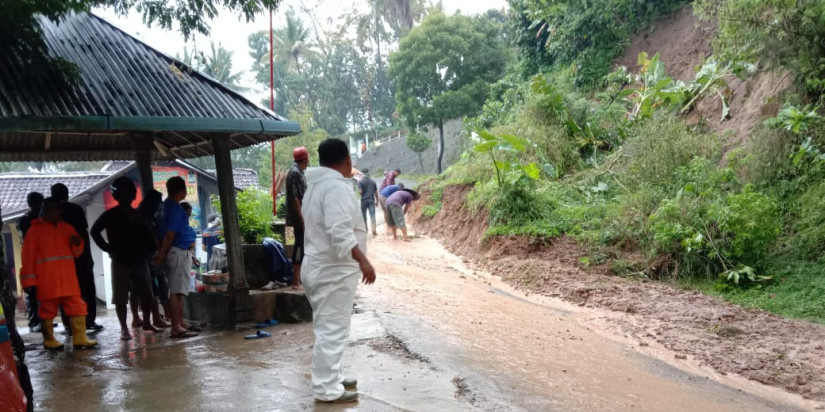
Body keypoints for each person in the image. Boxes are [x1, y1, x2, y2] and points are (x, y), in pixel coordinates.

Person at [302, 138, 376, 404]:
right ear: (347, 160)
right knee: (332, 329)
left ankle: (331, 377)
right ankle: (326, 389)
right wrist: (363, 260)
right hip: (332, 269)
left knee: (330, 327)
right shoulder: (334, 187)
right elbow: (339, 230)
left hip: (320, 266)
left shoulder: (316, 187)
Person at [20, 198, 97, 349]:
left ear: (59, 211)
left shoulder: (67, 229)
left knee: (77, 307)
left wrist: (77, 243)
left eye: (51, 209)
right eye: (45, 209)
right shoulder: (34, 231)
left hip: (68, 278)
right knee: (47, 310)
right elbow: (27, 258)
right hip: (47, 279)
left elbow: (77, 253)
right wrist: (29, 283)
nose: (47, 212)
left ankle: (80, 338)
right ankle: (49, 340)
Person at [91, 177, 161, 341]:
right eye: (122, 193)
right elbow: (94, 232)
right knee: (121, 297)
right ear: (117, 196)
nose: (126, 196)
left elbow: (151, 237)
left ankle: (147, 323)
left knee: (147, 295)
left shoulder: (138, 214)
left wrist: (143, 226)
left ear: (133, 195)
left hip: (139, 260)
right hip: (120, 260)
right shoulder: (110, 215)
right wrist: (108, 249)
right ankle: (124, 329)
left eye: (129, 193)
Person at [51, 183, 101, 331]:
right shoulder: (75, 209)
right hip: (80, 258)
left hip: (60, 260)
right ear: (67, 194)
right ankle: (89, 321)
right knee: (87, 290)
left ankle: (68, 324)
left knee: (66, 293)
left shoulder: (48, 212)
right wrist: (88, 257)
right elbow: (83, 235)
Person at [154, 177, 198, 339]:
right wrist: (162, 254)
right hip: (177, 250)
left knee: (178, 291)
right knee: (176, 291)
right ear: (180, 191)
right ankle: (176, 327)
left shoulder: (165, 207)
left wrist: (162, 253)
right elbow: (169, 235)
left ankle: (180, 322)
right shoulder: (174, 209)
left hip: (176, 250)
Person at [138, 190, 171, 328]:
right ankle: (155, 318)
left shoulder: (153, 217)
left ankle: (164, 316)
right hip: (146, 257)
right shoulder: (140, 217)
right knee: (151, 290)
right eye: (158, 203)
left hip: (156, 256)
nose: (159, 206)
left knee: (162, 288)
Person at [16, 192, 44, 333]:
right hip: (30, 260)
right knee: (31, 291)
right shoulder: (25, 220)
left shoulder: (42, 219)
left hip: (42, 261)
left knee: (42, 293)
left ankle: (43, 320)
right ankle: (34, 323)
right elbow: (28, 240)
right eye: (37, 203)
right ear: (31, 204)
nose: (40, 206)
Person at [286, 146, 309, 290]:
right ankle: (296, 282)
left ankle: (300, 279)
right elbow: (295, 198)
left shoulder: (298, 172)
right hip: (298, 216)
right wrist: (302, 218)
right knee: (299, 245)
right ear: (305, 159)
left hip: (300, 214)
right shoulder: (295, 173)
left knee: (302, 245)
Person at [357, 168, 379, 236]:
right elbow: (376, 192)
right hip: (371, 200)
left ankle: (365, 229)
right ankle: (373, 229)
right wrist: (377, 201)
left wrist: (359, 191)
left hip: (364, 200)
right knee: (372, 215)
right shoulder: (373, 181)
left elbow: (360, 192)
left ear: (362, 173)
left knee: (364, 215)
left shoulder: (360, 182)